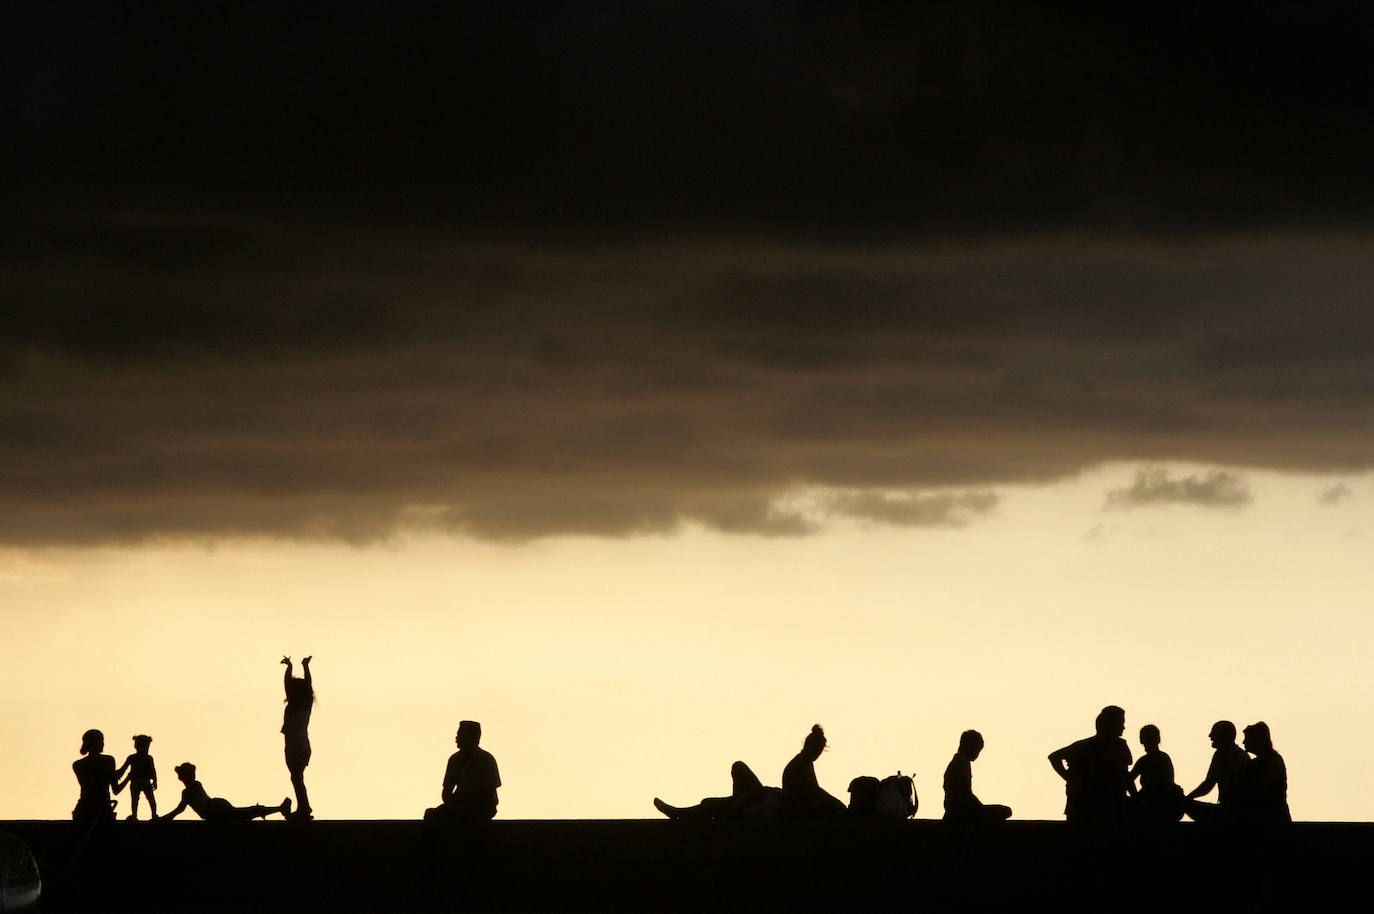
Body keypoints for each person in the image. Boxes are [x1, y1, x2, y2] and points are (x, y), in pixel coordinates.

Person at [1048, 706, 1132, 826]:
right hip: (1104, 807)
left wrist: (1069, 778)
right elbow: (1124, 775)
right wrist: (1069, 778)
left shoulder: (1081, 745)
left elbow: (1054, 757)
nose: (1123, 727)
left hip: (1085, 806)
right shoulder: (1118, 746)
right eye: (1121, 723)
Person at [159, 762, 291, 821]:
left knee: (244, 813)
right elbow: (179, 810)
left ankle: (279, 808)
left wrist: (163, 819)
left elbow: (179, 810)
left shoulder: (189, 791)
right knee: (244, 813)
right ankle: (278, 809)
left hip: (214, 810)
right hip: (215, 807)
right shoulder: (194, 786)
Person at [427, 720, 501, 823]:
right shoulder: (454, 760)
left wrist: (467, 803)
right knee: (430, 815)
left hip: (480, 808)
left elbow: (489, 796)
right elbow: (446, 792)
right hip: (458, 806)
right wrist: (455, 805)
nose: (456, 739)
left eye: (460, 735)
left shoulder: (486, 759)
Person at [654, 761, 784, 819]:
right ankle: (734, 803)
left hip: (756, 806)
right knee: (738, 767)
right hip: (765, 796)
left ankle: (678, 813)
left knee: (710, 804)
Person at [1183, 720, 1249, 826]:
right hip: (1224, 809)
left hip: (1235, 813)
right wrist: (1187, 799)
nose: (1210, 736)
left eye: (1214, 733)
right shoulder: (1218, 755)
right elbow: (1208, 783)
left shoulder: (1240, 758)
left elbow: (1240, 791)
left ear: (1224, 736)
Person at [943, 730, 1011, 824]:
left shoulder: (959, 761)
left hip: (956, 808)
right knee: (1006, 811)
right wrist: (980, 808)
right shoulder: (962, 762)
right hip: (961, 810)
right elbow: (965, 794)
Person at [779, 725, 845, 817]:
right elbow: (811, 790)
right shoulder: (799, 763)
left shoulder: (807, 762)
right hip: (796, 804)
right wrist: (833, 801)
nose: (818, 754)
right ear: (809, 746)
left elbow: (815, 789)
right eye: (817, 749)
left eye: (820, 751)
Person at [280, 655, 314, 821]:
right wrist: (302, 666)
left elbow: (290, 684)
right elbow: (307, 685)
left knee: (296, 777)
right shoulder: (306, 704)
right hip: (300, 744)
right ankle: (303, 807)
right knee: (297, 777)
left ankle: (304, 808)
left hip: (295, 745)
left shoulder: (296, 706)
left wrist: (291, 667)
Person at [1129, 724, 1184, 823]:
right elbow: (1128, 780)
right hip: (1152, 800)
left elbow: (1166, 784)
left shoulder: (1161, 758)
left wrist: (1137, 797)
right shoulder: (1144, 760)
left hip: (1162, 802)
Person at [1239, 722, 1290, 828]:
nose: (1244, 742)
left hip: (1272, 821)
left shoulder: (1274, 761)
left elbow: (1260, 789)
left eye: (1247, 738)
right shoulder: (1253, 763)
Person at [72, 729, 120, 826]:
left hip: (83, 809)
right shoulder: (109, 761)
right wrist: (129, 774)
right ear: (95, 743)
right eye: (101, 740)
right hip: (102, 809)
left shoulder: (78, 765)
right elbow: (116, 789)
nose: (103, 744)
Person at [115, 734, 159, 820]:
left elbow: (153, 770)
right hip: (139, 781)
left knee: (145, 799)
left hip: (139, 781)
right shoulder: (138, 758)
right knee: (139, 799)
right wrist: (154, 780)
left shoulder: (145, 758)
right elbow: (124, 769)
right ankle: (137, 815)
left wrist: (155, 780)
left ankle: (152, 814)